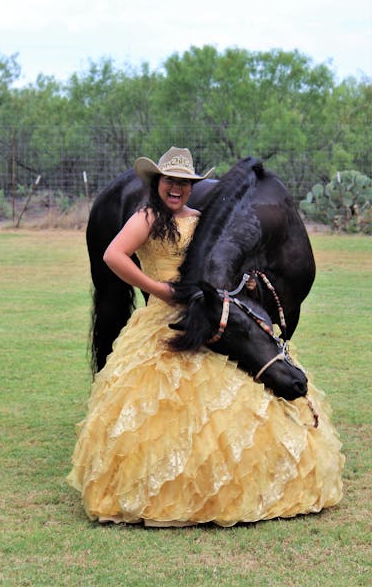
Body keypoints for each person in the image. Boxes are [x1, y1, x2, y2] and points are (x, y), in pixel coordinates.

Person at [67, 147, 344, 527]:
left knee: (231, 402)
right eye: (170, 181)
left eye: (184, 183)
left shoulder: (199, 219)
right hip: (162, 318)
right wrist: (157, 288)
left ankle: (236, 480)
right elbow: (114, 255)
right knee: (155, 407)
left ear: (192, 186)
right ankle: (162, 484)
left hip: (206, 315)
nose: (177, 189)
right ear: (158, 183)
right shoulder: (148, 216)